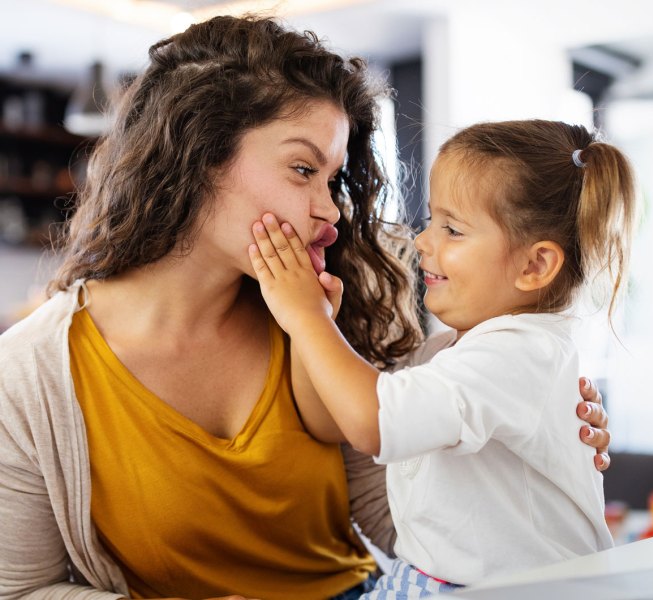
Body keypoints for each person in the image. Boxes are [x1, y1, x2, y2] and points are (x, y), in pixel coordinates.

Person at [0, 15, 610, 600]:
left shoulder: (320, 312)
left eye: (332, 180)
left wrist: (524, 452)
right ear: (199, 154)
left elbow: (408, 515)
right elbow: (17, 590)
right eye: (301, 170)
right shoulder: (31, 377)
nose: (332, 210)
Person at [248, 118, 636, 597]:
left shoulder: (514, 354)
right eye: (433, 221)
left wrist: (309, 319)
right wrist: (311, 328)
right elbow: (339, 421)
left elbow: (372, 421)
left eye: (452, 229)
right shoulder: (462, 349)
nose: (422, 241)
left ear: (535, 266)